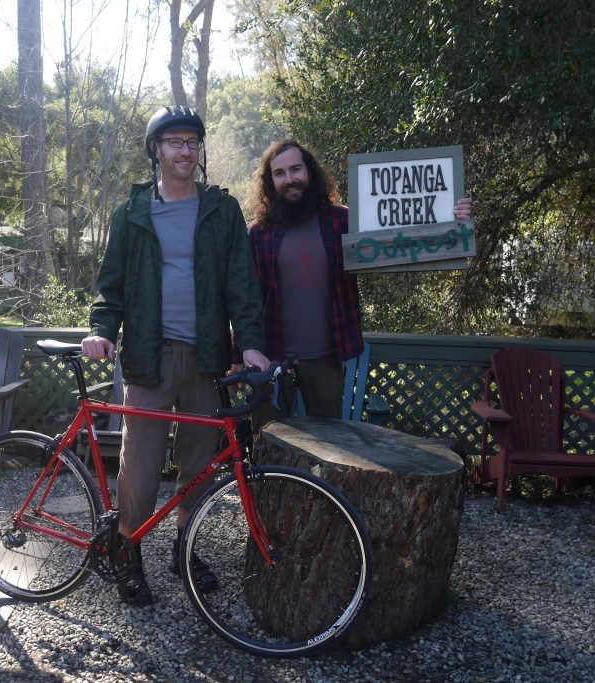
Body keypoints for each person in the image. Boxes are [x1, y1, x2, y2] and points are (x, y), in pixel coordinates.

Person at [81, 105, 269, 606]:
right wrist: (101, 331)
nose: (185, 150)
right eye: (174, 142)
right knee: (139, 465)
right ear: (155, 150)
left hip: (206, 357)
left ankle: (185, 548)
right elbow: (111, 287)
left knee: (199, 461)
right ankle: (130, 553)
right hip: (148, 355)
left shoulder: (220, 210)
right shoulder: (132, 212)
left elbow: (242, 285)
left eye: (192, 142)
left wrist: (248, 342)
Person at [242, 139, 472, 427]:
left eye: (296, 169)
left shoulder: (342, 221)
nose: (289, 179)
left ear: (310, 172)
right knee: (269, 445)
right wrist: (241, 352)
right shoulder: (257, 233)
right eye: (279, 173)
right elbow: (244, 299)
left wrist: (453, 216)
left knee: (331, 447)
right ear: (269, 181)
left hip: (325, 359)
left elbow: (403, 227)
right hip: (271, 359)